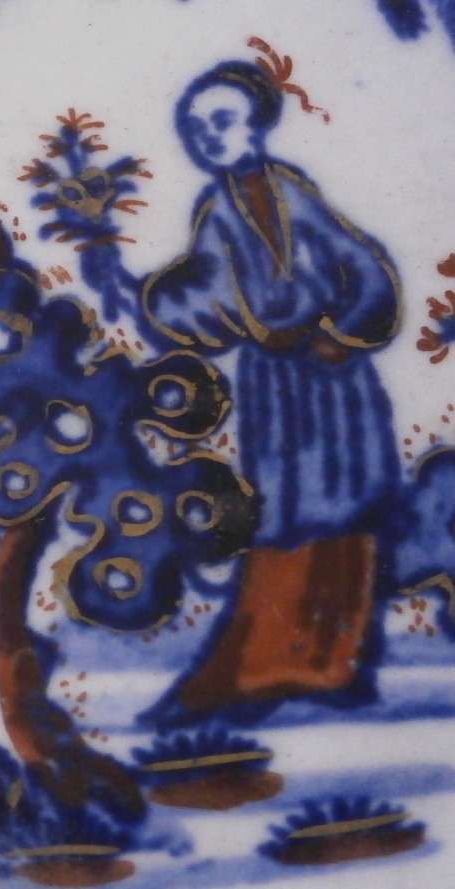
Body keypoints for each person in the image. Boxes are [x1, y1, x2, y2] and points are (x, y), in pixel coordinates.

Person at [140, 60, 401, 717]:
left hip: (336, 375)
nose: (207, 136)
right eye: (195, 127)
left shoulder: (293, 191)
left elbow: (363, 264)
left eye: (221, 121)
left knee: (348, 506)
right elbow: (210, 295)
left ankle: (334, 664)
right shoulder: (217, 209)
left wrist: (346, 331)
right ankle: (263, 666)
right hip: (275, 382)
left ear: (257, 124)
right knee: (282, 509)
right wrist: (164, 300)